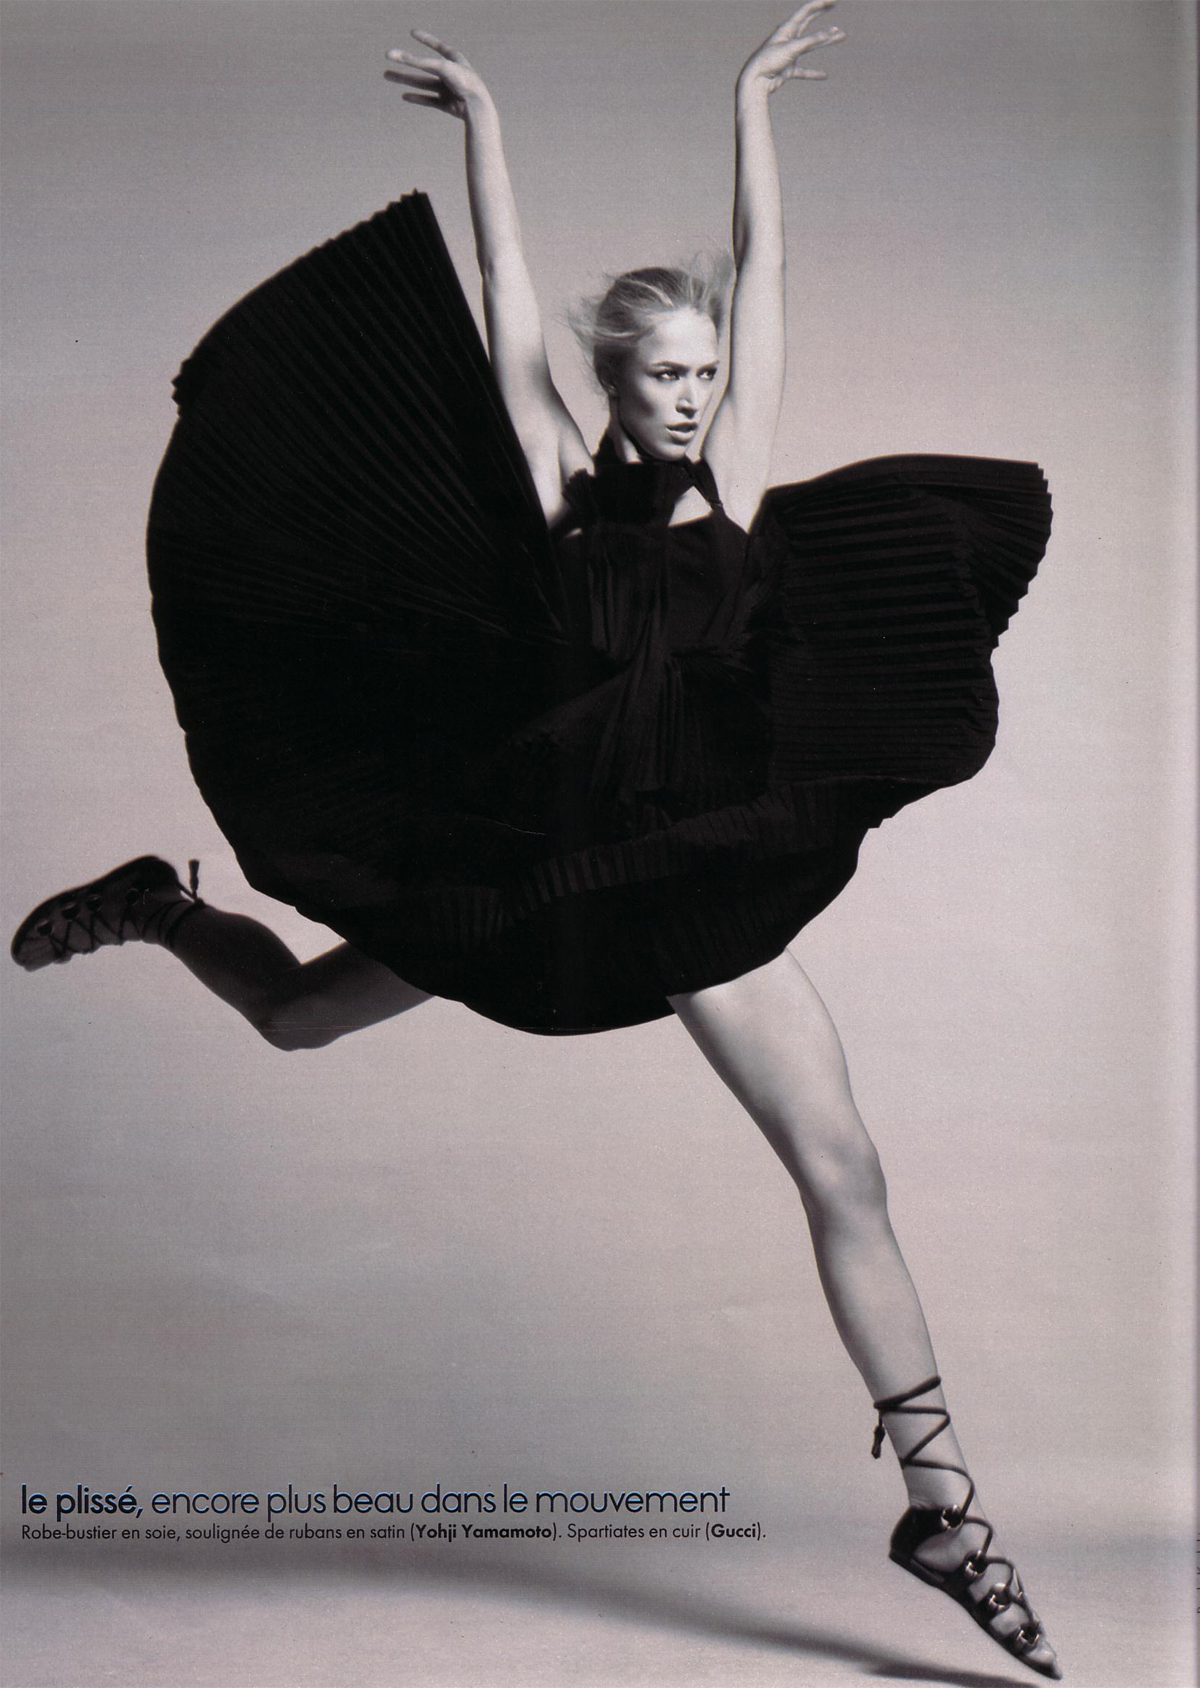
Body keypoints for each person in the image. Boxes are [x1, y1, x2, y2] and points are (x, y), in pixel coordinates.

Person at [10, 5, 1059, 1676]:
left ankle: (942, 1506)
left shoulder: (736, 482)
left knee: (841, 1165)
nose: (695, 397)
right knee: (292, 1017)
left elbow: (765, 273)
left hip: (698, 868)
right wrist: (483, 126)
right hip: (533, 862)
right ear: (613, 386)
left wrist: (749, 104)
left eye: (706, 372)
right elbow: (505, 304)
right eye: (665, 375)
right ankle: (160, 907)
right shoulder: (565, 487)